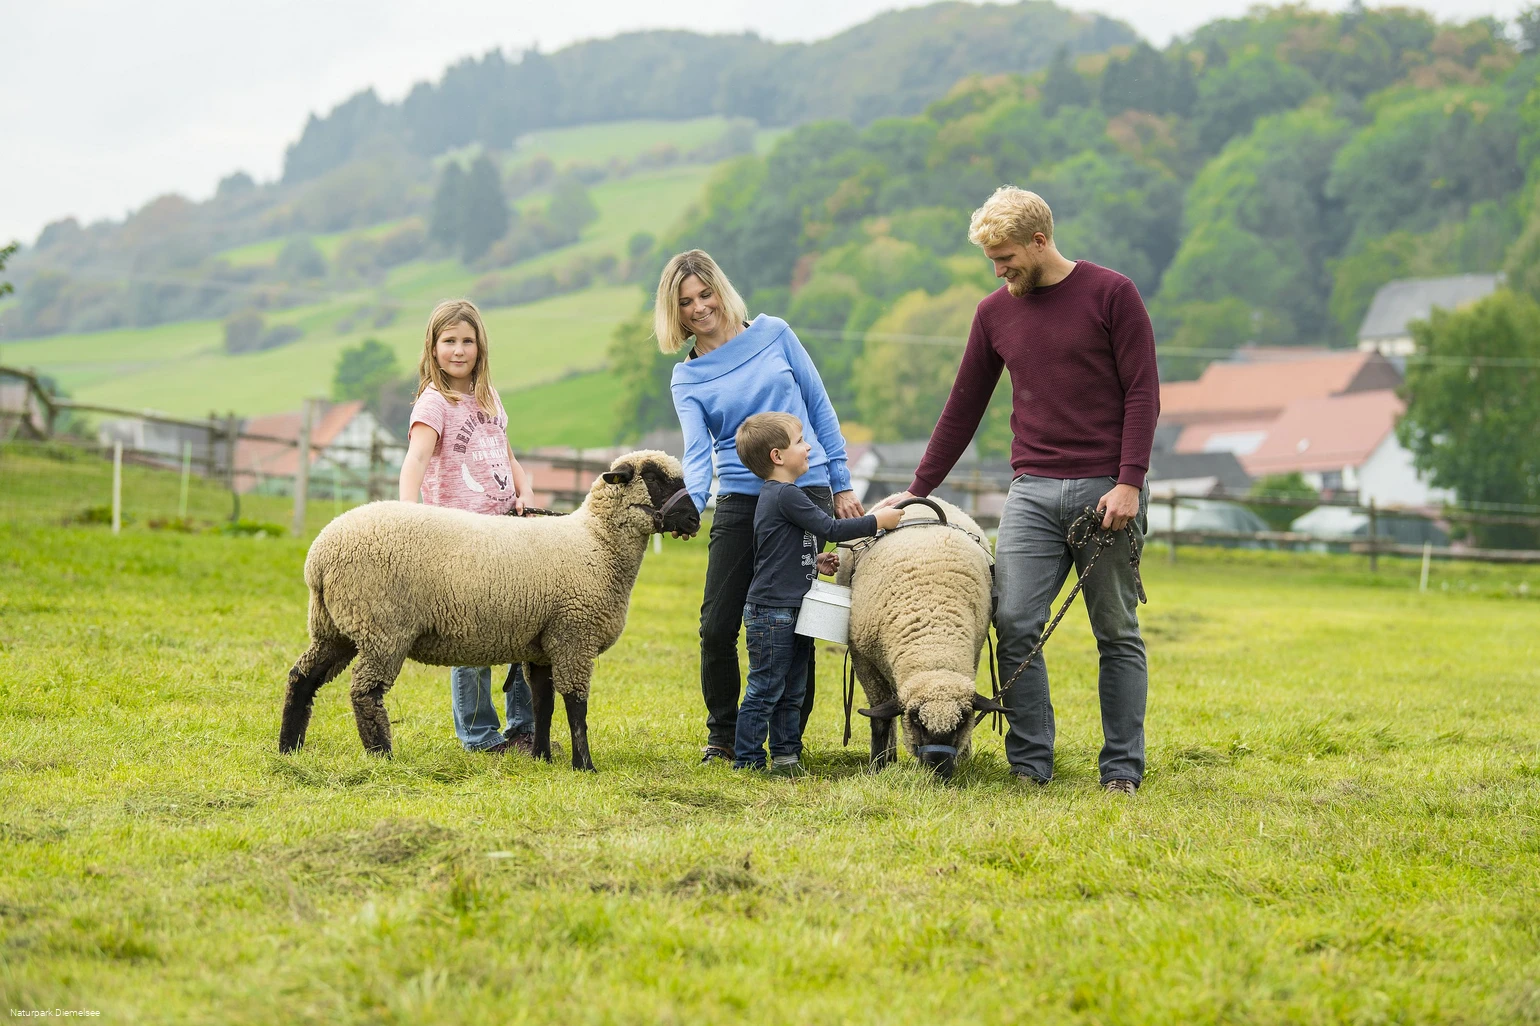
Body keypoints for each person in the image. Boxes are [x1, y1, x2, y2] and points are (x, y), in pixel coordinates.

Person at [877, 187, 1159, 795]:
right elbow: (963, 409)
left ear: (1040, 240)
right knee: (1013, 620)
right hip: (1030, 490)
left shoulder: (1113, 294)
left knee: (1115, 631)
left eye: (1005, 257)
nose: (999, 270)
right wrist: (916, 490)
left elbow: (1143, 393)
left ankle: (1121, 771)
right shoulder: (993, 314)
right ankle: (1031, 764)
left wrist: (1130, 482)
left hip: (1105, 491)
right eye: (991, 261)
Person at [656, 250, 865, 765]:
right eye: (686, 302)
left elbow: (819, 406)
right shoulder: (688, 378)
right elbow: (699, 452)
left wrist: (840, 484)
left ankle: (787, 742)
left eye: (705, 294)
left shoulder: (775, 333)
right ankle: (723, 737)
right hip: (742, 499)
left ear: (720, 289)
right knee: (717, 626)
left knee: (800, 619)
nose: (700, 308)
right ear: (674, 312)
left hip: (806, 489)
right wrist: (693, 504)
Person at [398, 298, 538, 755]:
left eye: (467, 341)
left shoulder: (489, 399)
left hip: (507, 532)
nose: (459, 350)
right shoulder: (434, 402)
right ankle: (479, 734)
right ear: (432, 347)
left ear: (480, 347)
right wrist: (407, 515)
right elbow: (417, 458)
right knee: (471, 636)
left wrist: (526, 492)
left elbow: (509, 456)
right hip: (460, 539)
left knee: (525, 627)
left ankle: (525, 726)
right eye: (449, 341)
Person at [733, 413, 900, 775]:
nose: (808, 446)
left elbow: (782, 547)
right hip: (773, 611)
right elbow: (830, 527)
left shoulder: (780, 496)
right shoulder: (785, 494)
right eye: (799, 441)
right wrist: (877, 521)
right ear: (778, 456)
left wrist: (813, 560)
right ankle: (747, 760)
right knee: (765, 689)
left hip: (793, 608)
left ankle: (786, 757)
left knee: (793, 688)